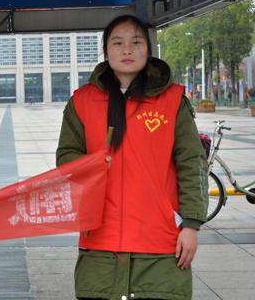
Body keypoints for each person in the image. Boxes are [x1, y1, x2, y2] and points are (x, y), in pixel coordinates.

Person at [56, 15, 208, 300]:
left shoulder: (173, 101)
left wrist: (191, 224)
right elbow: (66, 157)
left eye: (136, 42)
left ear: (148, 50)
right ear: (106, 51)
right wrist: (89, 165)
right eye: (118, 43)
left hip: (161, 242)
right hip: (100, 241)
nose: (127, 49)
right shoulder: (82, 101)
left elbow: (192, 163)